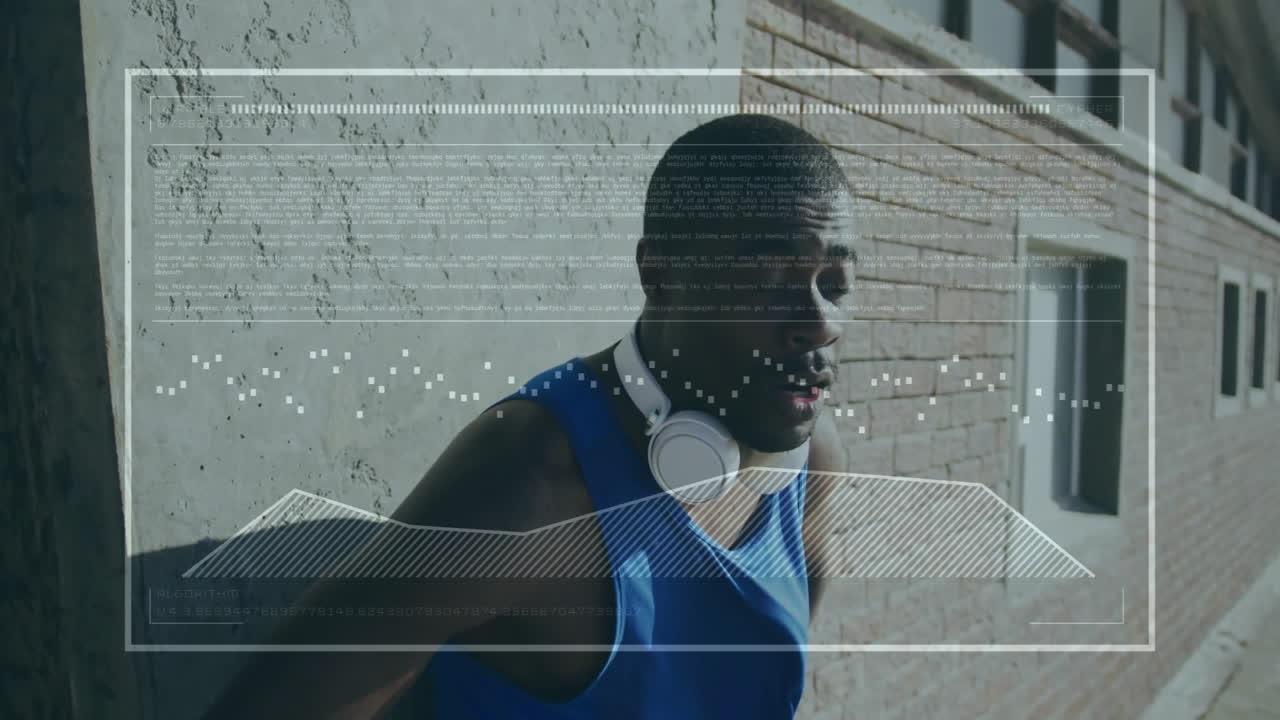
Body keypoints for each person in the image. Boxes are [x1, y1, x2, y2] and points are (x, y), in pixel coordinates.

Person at [198, 114, 857, 719]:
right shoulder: (528, 486)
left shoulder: (811, 458)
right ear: (658, 271)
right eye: (768, 279)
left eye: (833, 284)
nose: (820, 322)